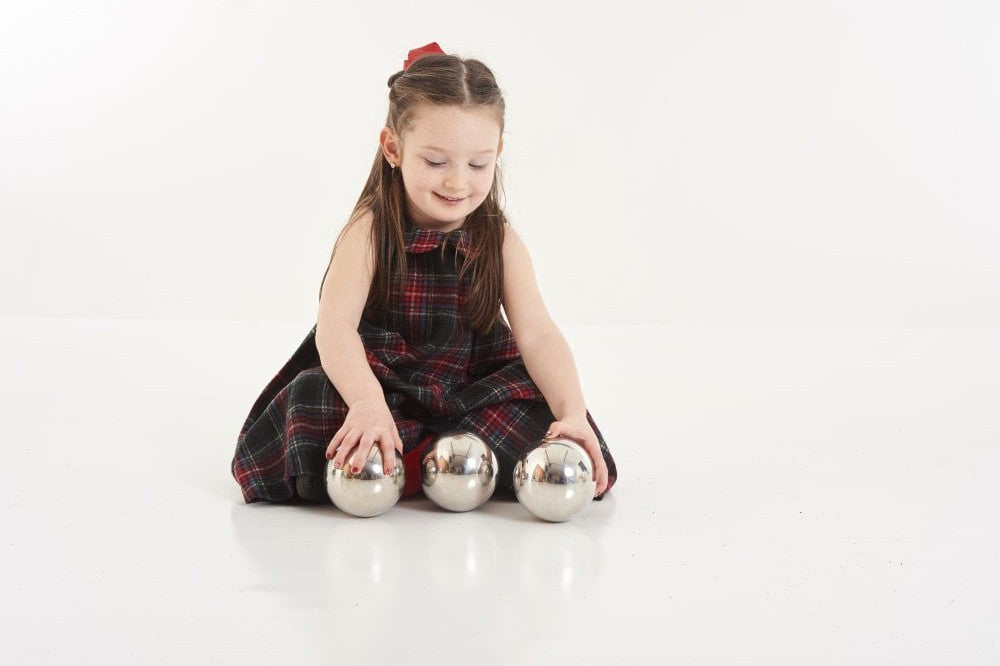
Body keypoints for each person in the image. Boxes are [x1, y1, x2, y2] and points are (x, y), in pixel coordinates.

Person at [230, 42, 619, 507]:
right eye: (435, 162)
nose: (457, 182)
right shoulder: (370, 230)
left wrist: (572, 412)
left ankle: (426, 460)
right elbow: (335, 328)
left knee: (547, 411)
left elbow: (538, 334)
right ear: (393, 148)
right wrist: (367, 402)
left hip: (469, 388)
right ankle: (417, 455)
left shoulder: (499, 240)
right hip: (383, 383)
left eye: (478, 164)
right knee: (312, 397)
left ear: (497, 152)